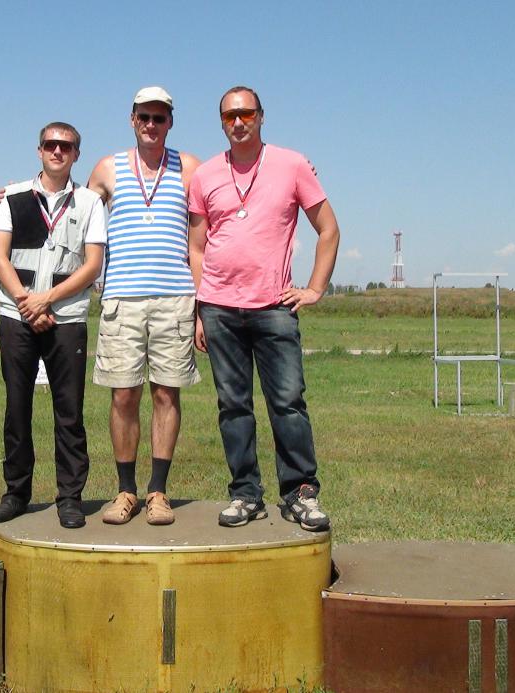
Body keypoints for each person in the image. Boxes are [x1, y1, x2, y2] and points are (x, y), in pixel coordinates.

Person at [0, 87, 201, 526]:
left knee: (167, 393)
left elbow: (217, 212)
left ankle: (158, 492)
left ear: (170, 122)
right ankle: (126, 491)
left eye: (159, 118)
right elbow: (69, 212)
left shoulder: (190, 167)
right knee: (123, 395)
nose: (151, 125)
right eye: (144, 117)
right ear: (132, 119)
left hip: (175, 296)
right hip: (121, 297)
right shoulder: (107, 168)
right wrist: (14, 200)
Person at [188, 86, 340, 531]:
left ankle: (300, 493)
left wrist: (314, 288)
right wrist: (201, 307)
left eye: (247, 113)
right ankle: (245, 494)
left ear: (261, 116)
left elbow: (328, 229)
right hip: (219, 308)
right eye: (229, 116)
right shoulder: (206, 175)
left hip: (274, 307)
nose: (238, 122)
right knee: (233, 407)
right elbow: (196, 247)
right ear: (221, 122)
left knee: (288, 403)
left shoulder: (292, 165)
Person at [0, 121, 106, 529]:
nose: (58, 151)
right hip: (17, 316)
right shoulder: (13, 197)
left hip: (66, 318)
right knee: (17, 409)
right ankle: (16, 494)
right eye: (51, 144)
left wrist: (47, 300)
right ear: (39, 150)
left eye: (66, 146)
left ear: (76, 154)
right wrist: (26, 302)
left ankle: (69, 498)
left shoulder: (89, 203)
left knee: (69, 412)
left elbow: (92, 264)